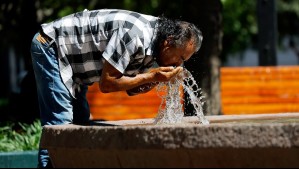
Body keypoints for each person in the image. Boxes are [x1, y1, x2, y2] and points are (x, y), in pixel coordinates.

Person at [30, 8, 203, 168]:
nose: (180, 64)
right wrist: (152, 76)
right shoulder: (135, 35)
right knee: (60, 128)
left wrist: (158, 80)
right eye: (180, 57)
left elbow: (131, 88)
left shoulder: (156, 46)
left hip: (78, 66)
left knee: (80, 122)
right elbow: (107, 83)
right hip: (52, 46)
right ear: (168, 43)